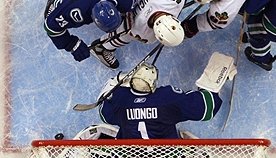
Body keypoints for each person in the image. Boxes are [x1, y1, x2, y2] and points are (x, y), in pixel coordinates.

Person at [98, 52, 236, 139]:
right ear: (153, 84)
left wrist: (113, 84)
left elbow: (104, 114)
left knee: (94, 133)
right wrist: (215, 78)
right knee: (201, 155)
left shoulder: (120, 99)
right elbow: (207, 108)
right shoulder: (167, 98)